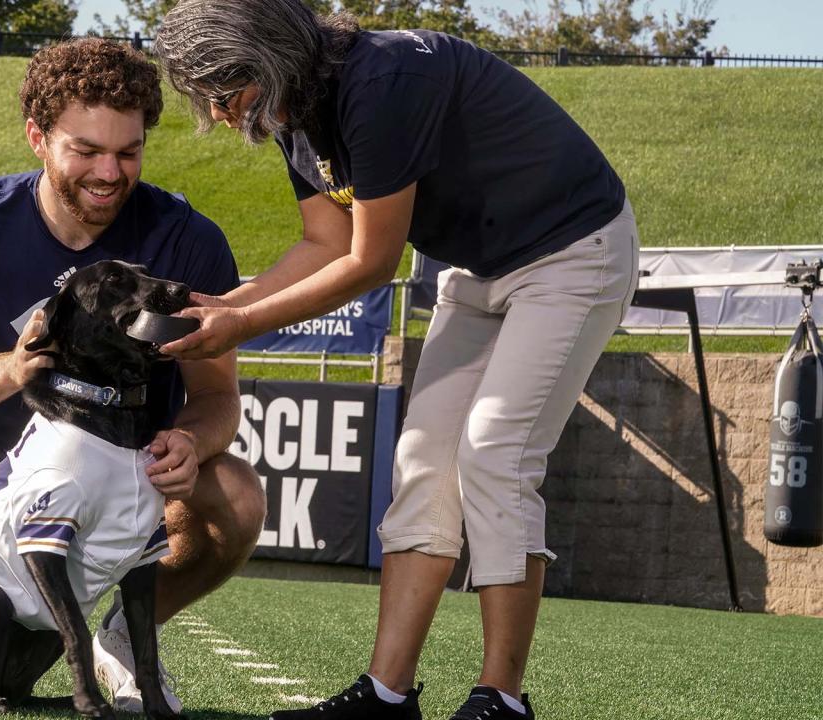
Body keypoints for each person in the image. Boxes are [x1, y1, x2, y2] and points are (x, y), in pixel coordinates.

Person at [155, 3, 638, 719]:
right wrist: (226, 303)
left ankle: (502, 699)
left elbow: (371, 261)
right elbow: (324, 242)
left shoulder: (380, 81)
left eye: (227, 94)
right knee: (422, 466)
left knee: (495, 454)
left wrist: (245, 322)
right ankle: (386, 696)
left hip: (570, 251)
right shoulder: (298, 116)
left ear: (267, 58)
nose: (224, 117)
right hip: (479, 269)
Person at [0, 37, 265, 714]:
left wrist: (190, 442)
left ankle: (121, 638)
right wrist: (13, 367)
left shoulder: (188, 237)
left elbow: (216, 399)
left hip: (125, 468)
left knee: (238, 497)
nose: (109, 171)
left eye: (127, 151)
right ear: (37, 137)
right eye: (86, 150)